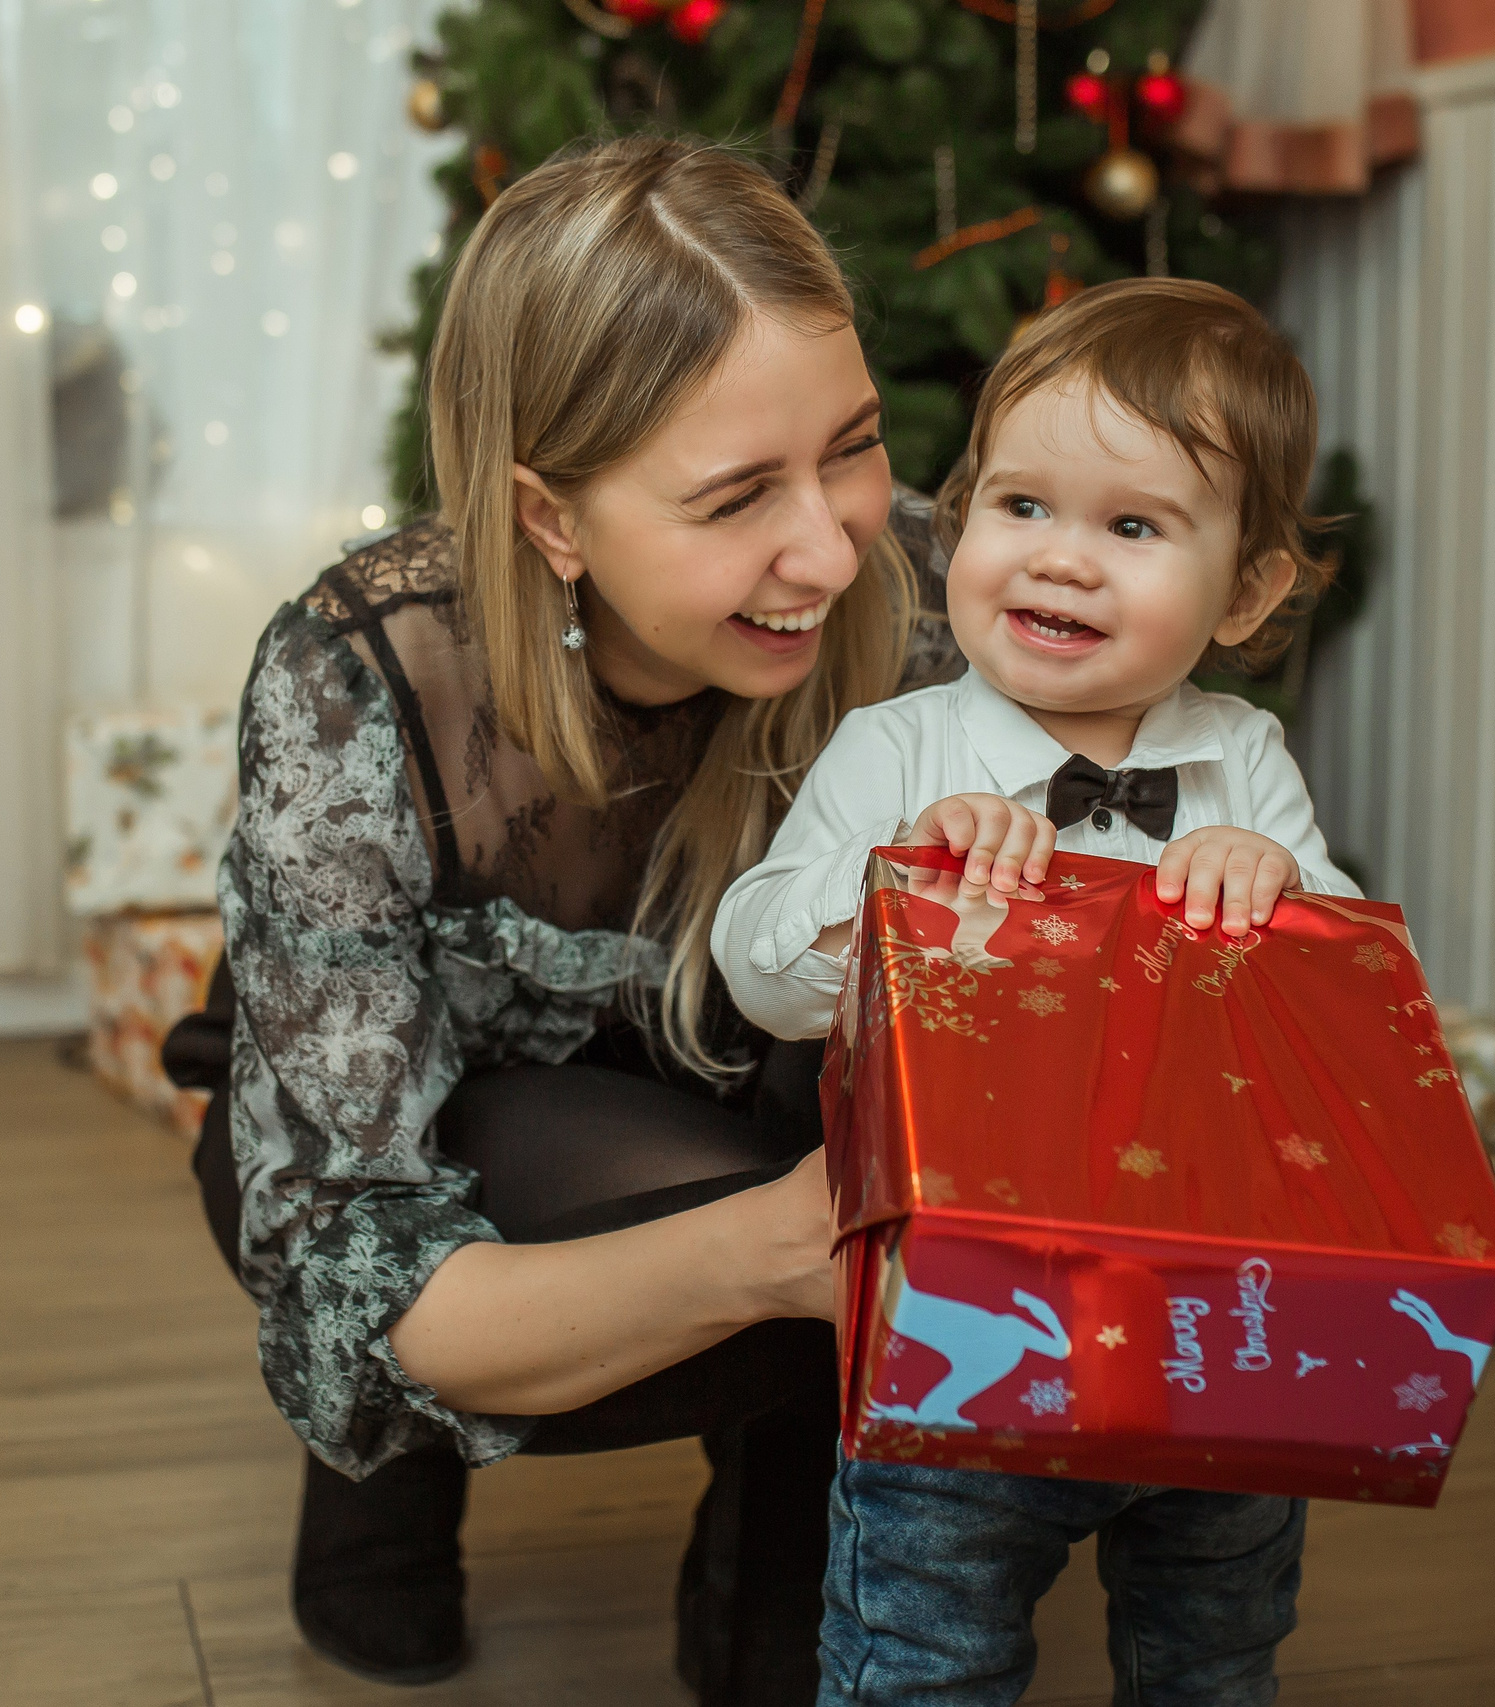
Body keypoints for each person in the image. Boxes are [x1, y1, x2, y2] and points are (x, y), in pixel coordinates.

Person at [161, 134, 961, 1706]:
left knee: (872, 1229)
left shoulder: (927, 593)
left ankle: (773, 1612)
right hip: (404, 1107)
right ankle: (379, 1513)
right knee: (422, 1348)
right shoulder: (359, 674)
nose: (833, 543)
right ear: (548, 517)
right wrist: (782, 1247)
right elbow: (373, 1272)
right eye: (735, 497)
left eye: (853, 447)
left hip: (732, 1088)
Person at [710, 278, 1355, 1706]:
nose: (1062, 560)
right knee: (920, 1659)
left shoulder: (1240, 760)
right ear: (962, 521)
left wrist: (1284, 891)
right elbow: (756, 965)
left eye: (1132, 527)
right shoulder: (894, 749)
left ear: (1246, 590)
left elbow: (1360, 1015)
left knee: (1215, 1659)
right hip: (965, 1318)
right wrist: (900, 890)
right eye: (1021, 508)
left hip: (1212, 1321)